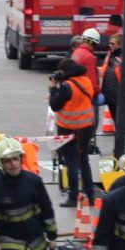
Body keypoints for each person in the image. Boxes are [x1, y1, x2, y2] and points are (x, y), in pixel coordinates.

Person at [48, 58, 98, 207]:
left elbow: (54, 105)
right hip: (86, 128)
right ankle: (90, 195)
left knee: (71, 162)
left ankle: (73, 197)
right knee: (83, 161)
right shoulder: (86, 80)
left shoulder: (66, 86)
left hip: (69, 130)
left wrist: (53, 88)